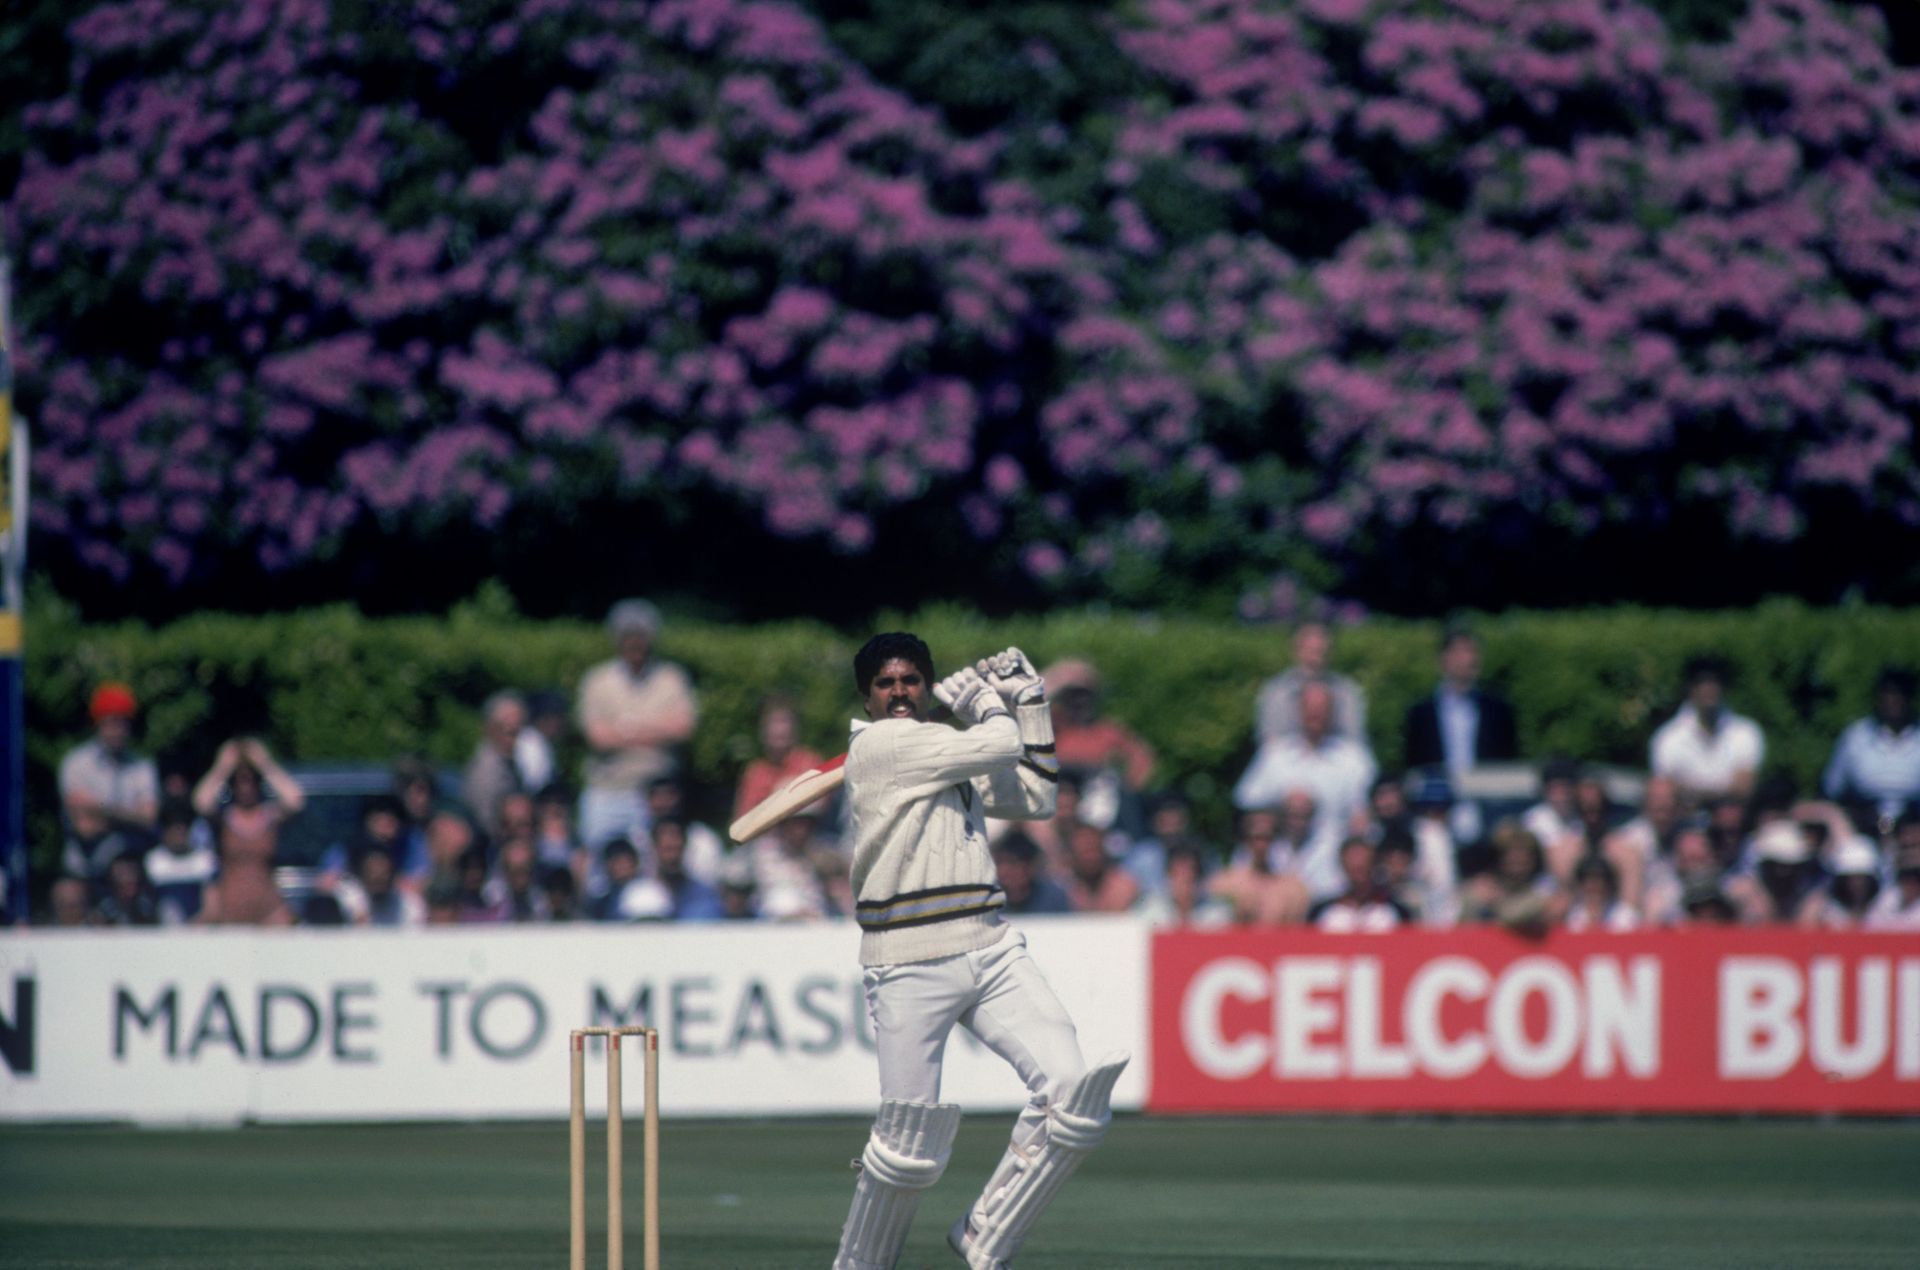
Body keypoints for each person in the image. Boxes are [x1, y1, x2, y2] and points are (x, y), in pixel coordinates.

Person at [831, 635, 1126, 1270]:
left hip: (990, 943)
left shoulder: (946, 754)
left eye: (912, 680)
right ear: (867, 697)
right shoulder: (881, 745)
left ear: (927, 685)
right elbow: (998, 743)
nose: (900, 692)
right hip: (907, 956)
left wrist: (1032, 702)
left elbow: (1036, 797)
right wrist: (994, 703)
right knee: (907, 1147)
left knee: (1074, 1095)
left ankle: (986, 1232)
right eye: (886, 684)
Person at [1231, 682, 1375, 897]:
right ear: (1298, 710)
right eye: (1309, 707)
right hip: (1279, 853)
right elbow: (1246, 804)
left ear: (1331, 712)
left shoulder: (1353, 758)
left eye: (1322, 708)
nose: (1315, 714)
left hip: (1331, 860)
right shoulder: (1275, 755)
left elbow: (1366, 816)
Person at [575, 599, 698, 848]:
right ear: (617, 640)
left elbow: (683, 728)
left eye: (640, 636)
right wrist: (656, 730)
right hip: (607, 792)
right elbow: (598, 738)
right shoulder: (597, 680)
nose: (634, 643)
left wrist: (625, 729)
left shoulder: (671, 678)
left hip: (658, 795)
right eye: (627, 636)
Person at [58, 682, 160, 892]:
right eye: (111, 722)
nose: (117, 730)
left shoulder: (142, 766)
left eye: (123, 723)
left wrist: (99, 810)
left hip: (130, 875)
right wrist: (129, 818)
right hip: (84, 870)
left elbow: (149, 817)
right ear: (98, 724)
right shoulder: (76, 764)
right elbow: (84, 828)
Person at [193, 738, 305, 926]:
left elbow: (296, 800)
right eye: (240, 782)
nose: (246, 788)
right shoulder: (224, 818)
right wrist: (223, 765)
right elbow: (200, 801)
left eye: (251, 781)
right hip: (228, 908)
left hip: (269, 908)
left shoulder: (270, 816)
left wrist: (264, 763)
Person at [1401, 626, 1519, 776]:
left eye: (1471, 652)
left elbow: (1507, 761)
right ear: (1443, 659)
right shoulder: (1421, 713)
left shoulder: (1498, 710)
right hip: (1438, 794)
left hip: (1485, 793)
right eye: (1458, 652)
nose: (1466, 659)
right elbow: (1414, 764)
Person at [1649, 656, 1765, 805]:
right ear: (1690, 688)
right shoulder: (1667, 737)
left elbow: (1744, 789)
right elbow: (1666, 793)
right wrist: (1726, 790)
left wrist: (1689, 791)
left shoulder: (1747, 732)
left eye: (1715, 682)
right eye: (1702, 682)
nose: (1709, 688)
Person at [1823, 667, 1920, 829]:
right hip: (1863, 826)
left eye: (1900, 693)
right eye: (1888, 693)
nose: (1894, 700)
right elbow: (1833, 790)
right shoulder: (1855, 737)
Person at [1254, 620, 1366, 743]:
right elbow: (1269, 744)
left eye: (1321, 652)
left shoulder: (1347, 692)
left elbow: (1354, 742)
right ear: (1295, 651)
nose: (1315, 660)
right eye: (1310, 651)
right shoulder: (1275, 693)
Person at [732, 694, 825, 828]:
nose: (779, 730)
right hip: (765, 841)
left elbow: (821, 809)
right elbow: (741, 822)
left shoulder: (810, 763)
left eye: (784, 722)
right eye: (773, 722)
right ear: (762, 729)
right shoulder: (755, 773)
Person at [462, 690, 534, 840]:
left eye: (518, 731)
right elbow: (486, 825)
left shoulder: (510, 763)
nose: (515, 739)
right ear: (490, 728)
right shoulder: (486, 771)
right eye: (509, 731)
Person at [1310, 837, 1408, 932]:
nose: (1358, 875)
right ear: (1343, 866)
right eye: (1354, 869)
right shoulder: (1324, 913)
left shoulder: (1394, 912)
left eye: (1363, 868)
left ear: (1374, 865)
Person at [145, 797, 218, 925]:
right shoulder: (153, 861)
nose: (178, 834)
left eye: (182, 829)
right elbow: (147, 905)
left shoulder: (205, 860)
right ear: (164, 830)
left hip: (198, 931)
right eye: (173, 829)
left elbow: (212, 907)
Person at [993, 831, 1072, 915]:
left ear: (1030, 866)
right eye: (1000, 863)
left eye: (1012, 863)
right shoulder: (987, 899)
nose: (1004, 870)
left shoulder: (1054, 898)